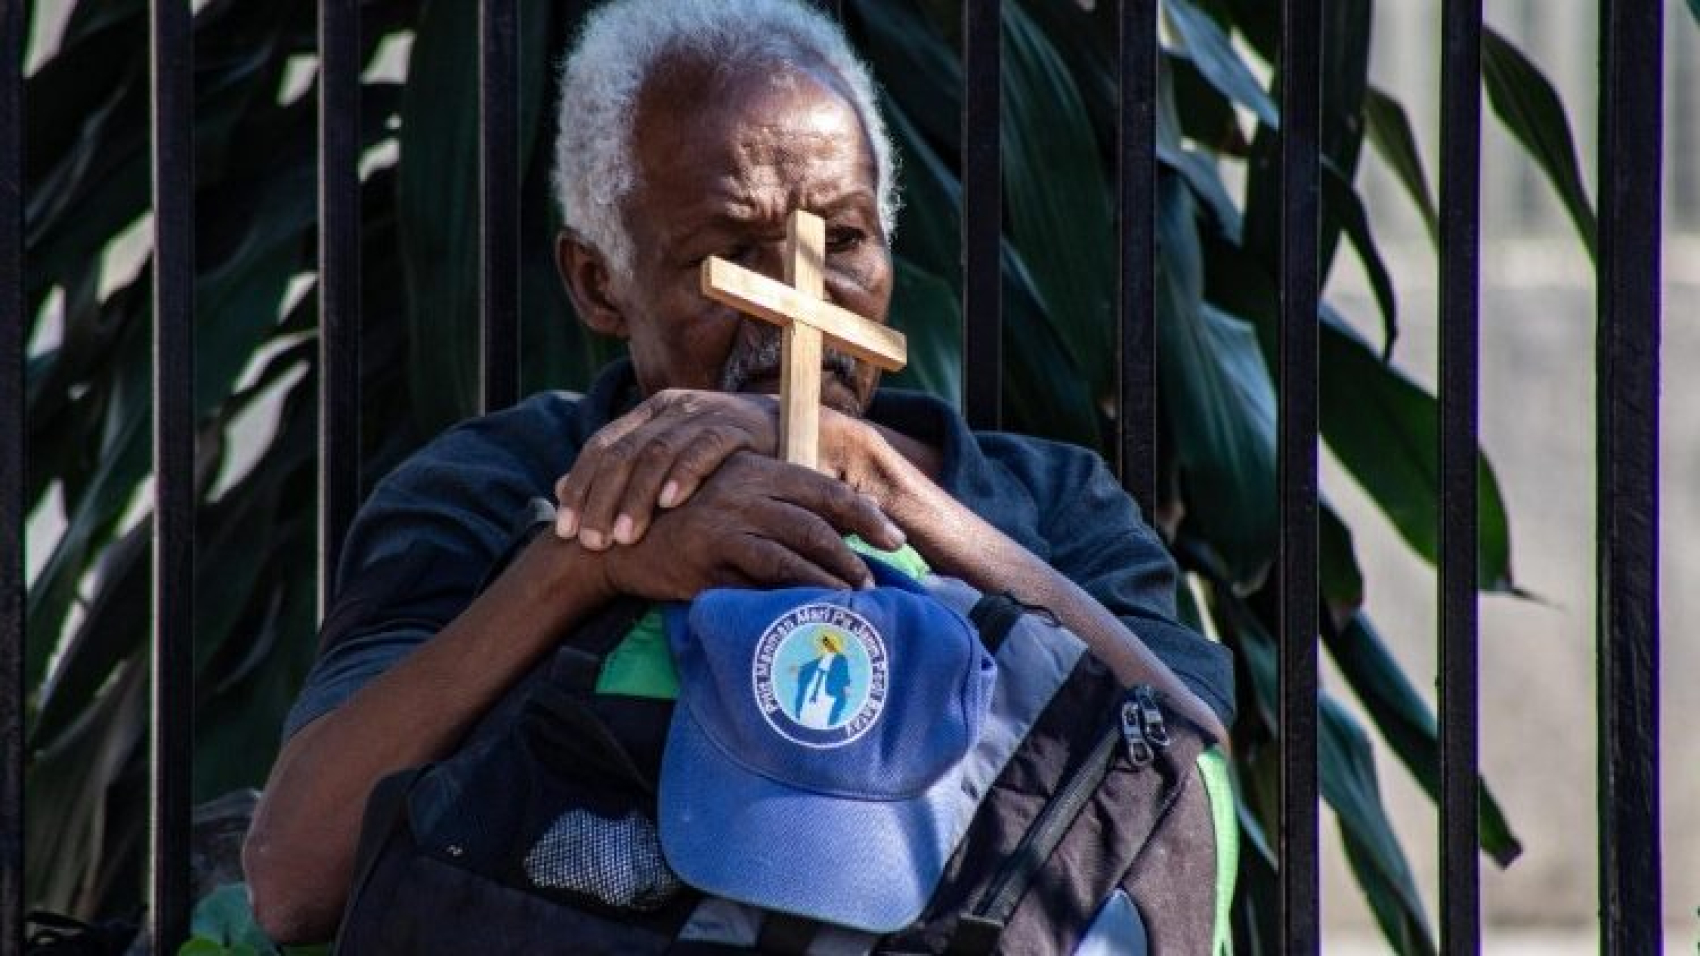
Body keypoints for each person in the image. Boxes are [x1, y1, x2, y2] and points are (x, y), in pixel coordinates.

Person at [242, 0, 1235, 944]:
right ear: (599, 281)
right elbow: (297, 875)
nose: (797, 301)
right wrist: (587, 563)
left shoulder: (1044, 499)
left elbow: (1183, 774)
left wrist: (886, 488)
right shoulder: (490, 485)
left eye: (841, 239)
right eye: (730, 255)